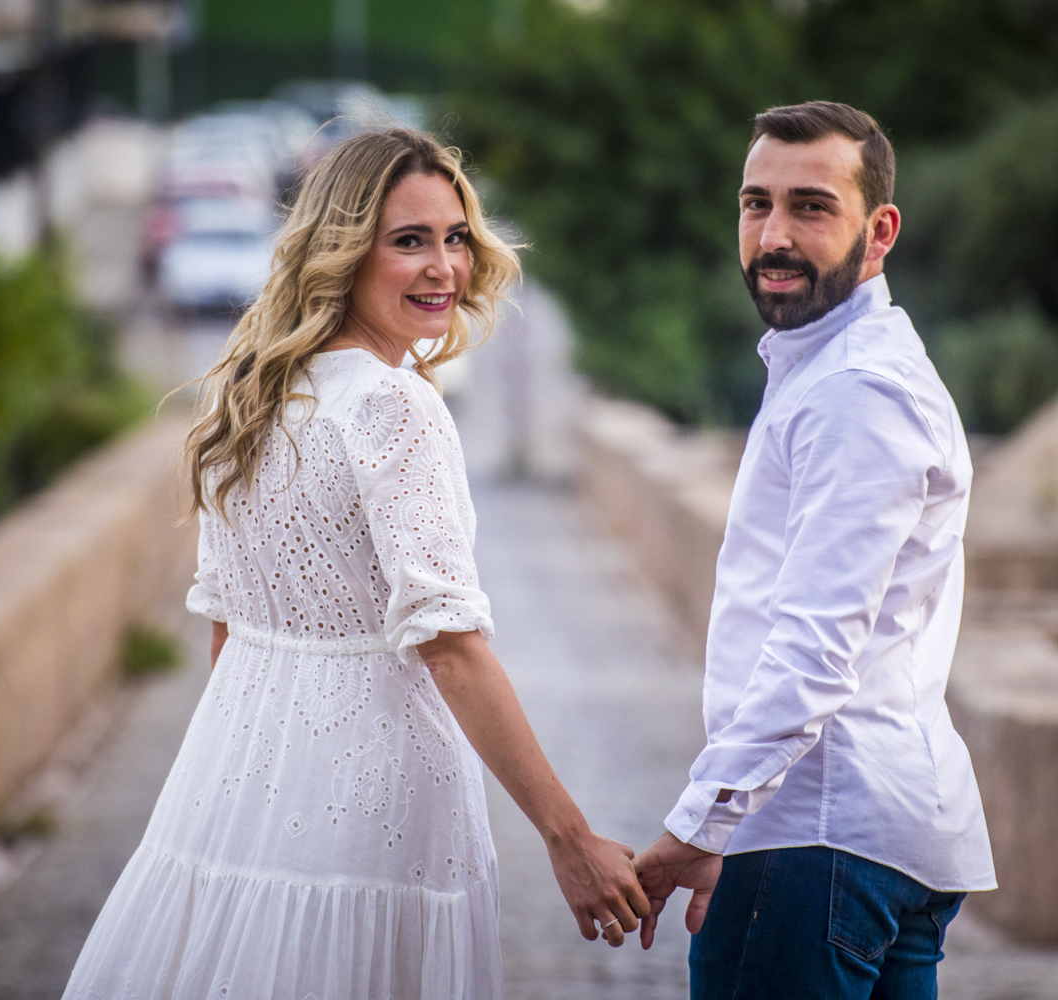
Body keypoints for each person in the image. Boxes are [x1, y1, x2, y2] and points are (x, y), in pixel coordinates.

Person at [62, 128, 648, 1000]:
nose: (444, 266)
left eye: (455, 238)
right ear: (343, 251)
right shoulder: (395, 406)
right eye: (408, 241)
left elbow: (229, 638)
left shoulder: (249, 395)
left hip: (234, 784)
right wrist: (568, 838)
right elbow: (449, 646)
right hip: (377, 810)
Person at [633, 101, 996, 999]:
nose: (774, 235)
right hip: (859, 837)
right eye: (757, 204)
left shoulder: (854, 392)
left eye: (810, 207)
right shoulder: (839, 368)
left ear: (880, 232)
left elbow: (816, 647)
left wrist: (701, 826)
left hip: (823, 842)